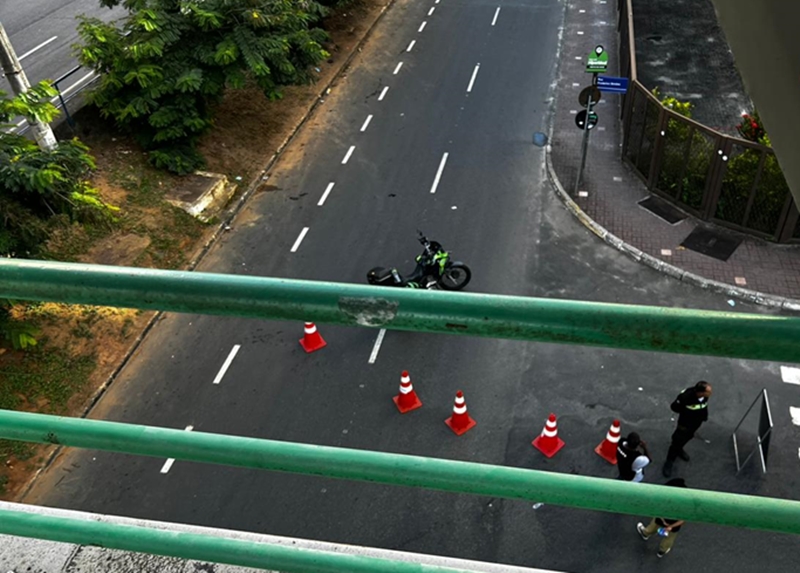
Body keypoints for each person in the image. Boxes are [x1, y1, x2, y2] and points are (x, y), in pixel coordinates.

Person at [662, 381, 712, 477]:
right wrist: (686, 414)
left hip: (695, 423)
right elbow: (674, 407)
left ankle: (679, 449)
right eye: (708, 392)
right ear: (700, 392)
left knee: (688, 437)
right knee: (677, 441)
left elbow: (703, 406)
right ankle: (669, 461)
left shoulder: (705, 396)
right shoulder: (686, 397)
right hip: (685, 424)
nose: (710, 394)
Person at [636, 478, 688, 557]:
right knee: (669, 538)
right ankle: (662, 551)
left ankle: (645, 533)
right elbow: (683, 520)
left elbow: (657, 509)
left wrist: (663, 521)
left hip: (660, 520)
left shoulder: (665, 499)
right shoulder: (684, 505)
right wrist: (670, 526)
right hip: (674, 526)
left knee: (652, 527)